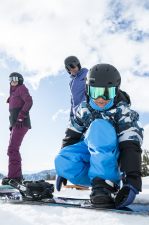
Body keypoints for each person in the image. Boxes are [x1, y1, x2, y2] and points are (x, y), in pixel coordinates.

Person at [55, 64, 144, 209]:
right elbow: (71, 137)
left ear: (116, 91)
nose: (101, 98)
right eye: (95, 92)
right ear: (88, 90)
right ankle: (99, 184)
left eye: (107, 93)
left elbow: (130, 145)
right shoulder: (84, 109)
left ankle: (107, 184)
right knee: (62, 159)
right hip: (91, 157)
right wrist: (62, 171)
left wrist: (131, 182)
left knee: (99, 127)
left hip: (112, 160)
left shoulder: (123, 112)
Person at [2, 72, 33, 185]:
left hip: (21, 123)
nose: (12, 80)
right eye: (10, 78)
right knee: (13, 149)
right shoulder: (14, 92)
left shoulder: (21, 88)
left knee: (12, 150)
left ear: (20, 79)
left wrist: (21, 117)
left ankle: (14, 178)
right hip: (15, 124)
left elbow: (29, 101)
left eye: (15, 78)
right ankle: (16, 176)